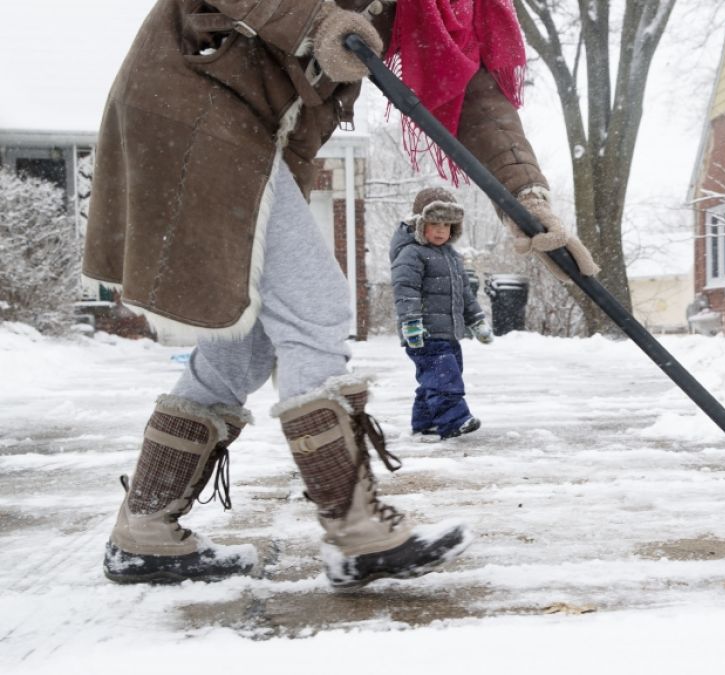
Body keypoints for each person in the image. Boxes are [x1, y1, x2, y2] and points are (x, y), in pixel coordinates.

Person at [83, 0, 595, 589]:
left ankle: (144, 530)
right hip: (199, 103)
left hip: (254, 136)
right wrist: (312, 21)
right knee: (316, 312)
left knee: (243, 350)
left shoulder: (445, 8)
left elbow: (474, 90)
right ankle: (357, 533)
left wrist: (528, 201)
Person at [390, 188, 492, 442]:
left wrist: (476, 320)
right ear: (419, 224)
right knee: (444, 378)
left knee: (436, 378)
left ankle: (425, 423)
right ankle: (454, 421)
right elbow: (406, 291)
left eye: (446, 224)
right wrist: (411, 323)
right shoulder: (411, 254)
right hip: (423, 333)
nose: (440, 230)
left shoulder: (452, 257)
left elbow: (464, 294)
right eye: (434, 223)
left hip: (448, 332)